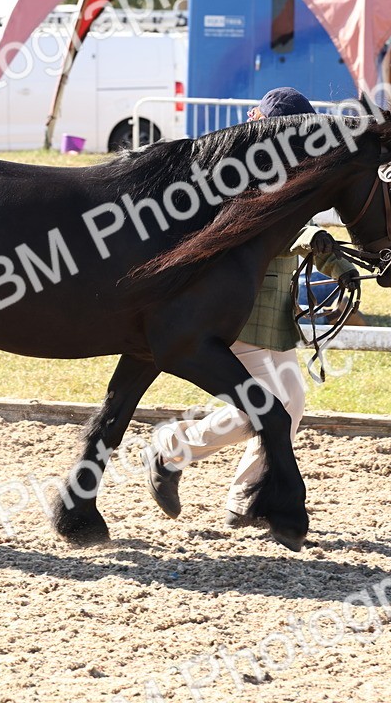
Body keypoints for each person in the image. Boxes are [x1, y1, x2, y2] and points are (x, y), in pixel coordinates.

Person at [143, 87, 359, 528]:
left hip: (274, 312)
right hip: (237, 310)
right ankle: (172, 449)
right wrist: (326, 253)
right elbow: (287, 234)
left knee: (290, 404)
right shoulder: (238, 173)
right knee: (265, 408)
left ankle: (243, 494)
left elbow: (302, 230)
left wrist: (339, 266)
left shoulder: (287, 175)